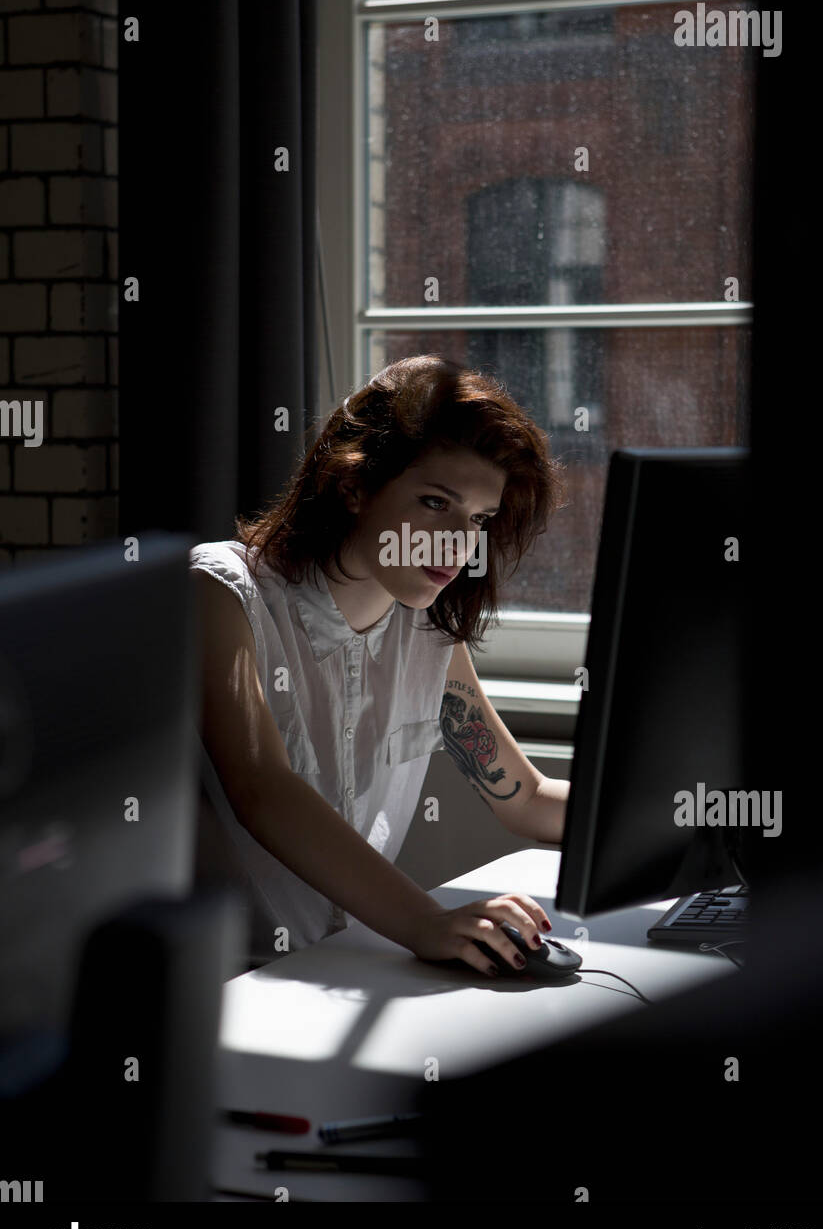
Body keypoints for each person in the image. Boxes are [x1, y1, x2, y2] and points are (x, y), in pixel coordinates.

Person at [190, 354, 570, 975]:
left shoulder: (426, 628)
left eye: (478, 519)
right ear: (354, 484)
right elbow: (261, 788)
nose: (457, 543)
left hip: (348, 965)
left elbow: (524, 798)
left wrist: (685, 816)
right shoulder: (223, 591)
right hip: (225, 987)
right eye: (433, 502)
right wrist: (425, 921)